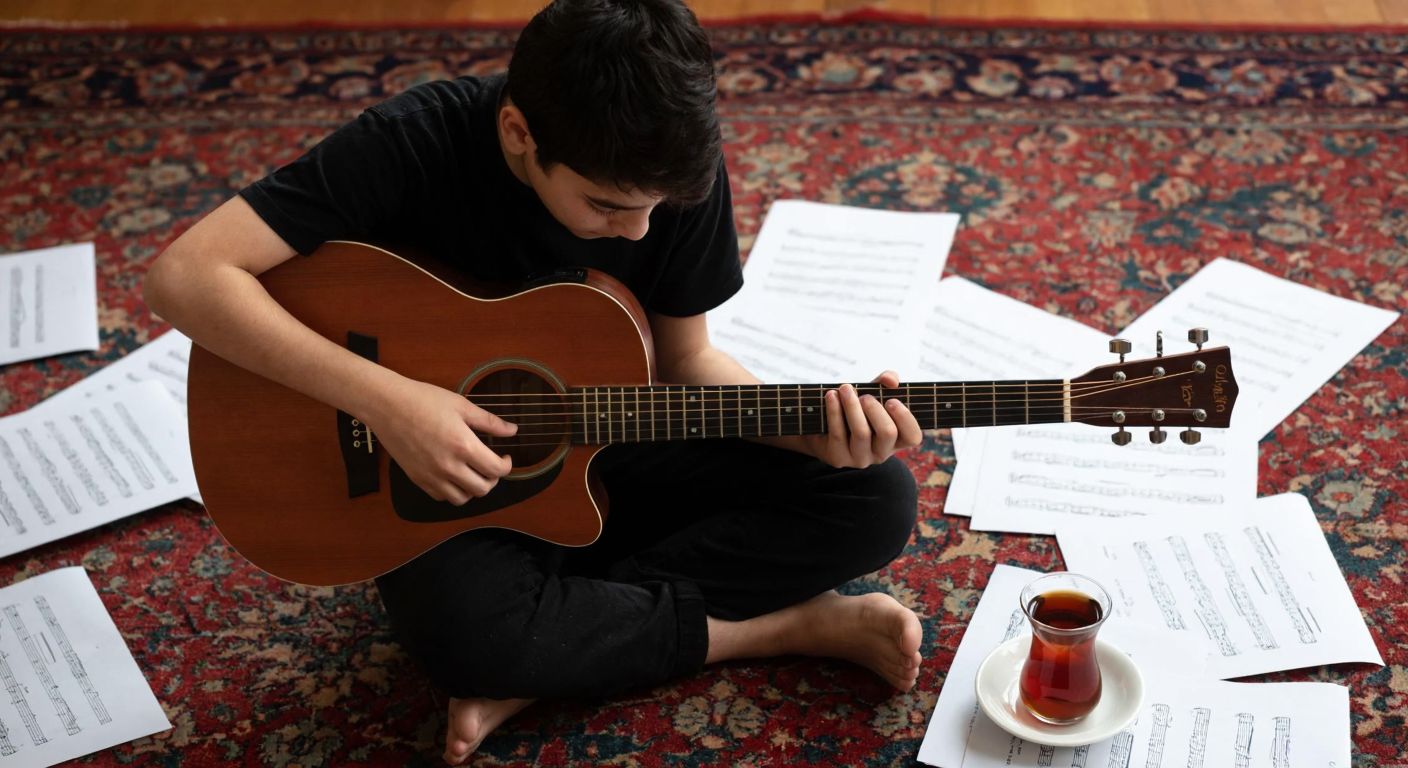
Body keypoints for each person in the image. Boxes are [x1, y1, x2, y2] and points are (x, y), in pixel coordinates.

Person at [144, 0, 924, 763]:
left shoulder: (667, 169)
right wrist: (387, 401)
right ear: (520, 134)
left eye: (657, 208)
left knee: (875, 496)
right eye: (609, 206)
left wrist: (812, 426)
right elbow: (184, 275)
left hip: (601, 441)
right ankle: (783, 629)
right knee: (470, 638)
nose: (641, 231)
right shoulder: (411, 142)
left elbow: (685, 367)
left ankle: (562, 647)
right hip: (425, 481)